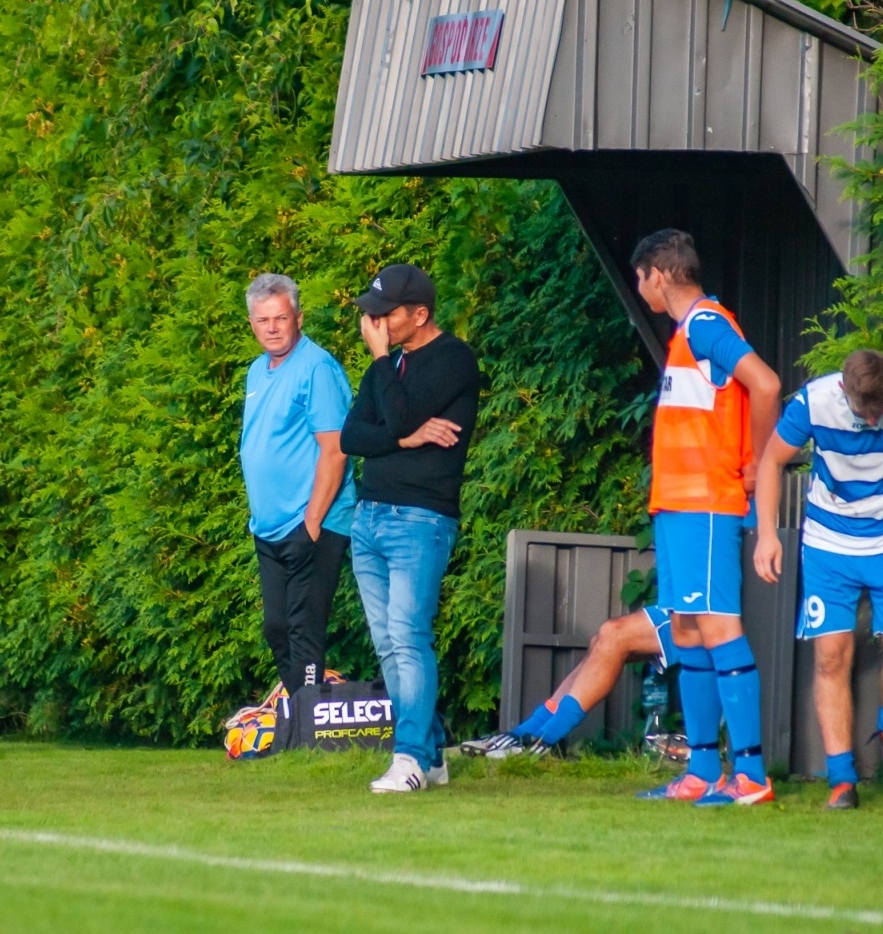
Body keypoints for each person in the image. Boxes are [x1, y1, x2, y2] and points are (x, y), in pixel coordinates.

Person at [752, 350, 883, 810]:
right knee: (831, 657)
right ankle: (842, 780)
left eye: (881, 409)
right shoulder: (812, 402)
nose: (875, 418)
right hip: (827, 544)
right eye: (866, 412)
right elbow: (770, 462)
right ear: (844, 391)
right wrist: (766, 534)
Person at [630, 229, 782, 806]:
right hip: (678, 505)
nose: (640, 287)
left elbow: (765, 383)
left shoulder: (706, 324)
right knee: (689, 628)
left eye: (641, 276)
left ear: (658, 275)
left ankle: (750, 775)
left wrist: (761, 461)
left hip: (707, 504)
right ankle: (700, 770)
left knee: (717, 628)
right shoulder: (686, 333)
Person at [340, 263, 481, 793]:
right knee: (387, 644)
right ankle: (432, 751)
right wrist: (405, 438)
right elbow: (354, 435)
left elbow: (392, 418)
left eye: (385, 313)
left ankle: (410, 759)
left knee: (408, 636)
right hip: (370, 517)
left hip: (419, 519)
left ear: (419, 315)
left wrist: (382, 370)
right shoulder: (389, 368)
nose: (374, 321)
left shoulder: (454, 360)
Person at [239, 273, 357, 694]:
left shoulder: (317, 367)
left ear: (298, 317)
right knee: (276, 628)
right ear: (252, 323)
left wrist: (311, 523)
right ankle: (297, 718)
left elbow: (335, 449)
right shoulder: (257, 371)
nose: (271, 327)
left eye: (280, 317)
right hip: (269, 528)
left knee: (303, 630)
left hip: (313, 522)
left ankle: (305, 733)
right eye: (262, 319)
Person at [460, 606, 674, 758]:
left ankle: (542, 742)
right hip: (678, 598)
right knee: (601, 640)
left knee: (614, 634)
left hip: (699, 606)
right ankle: (527, 734)